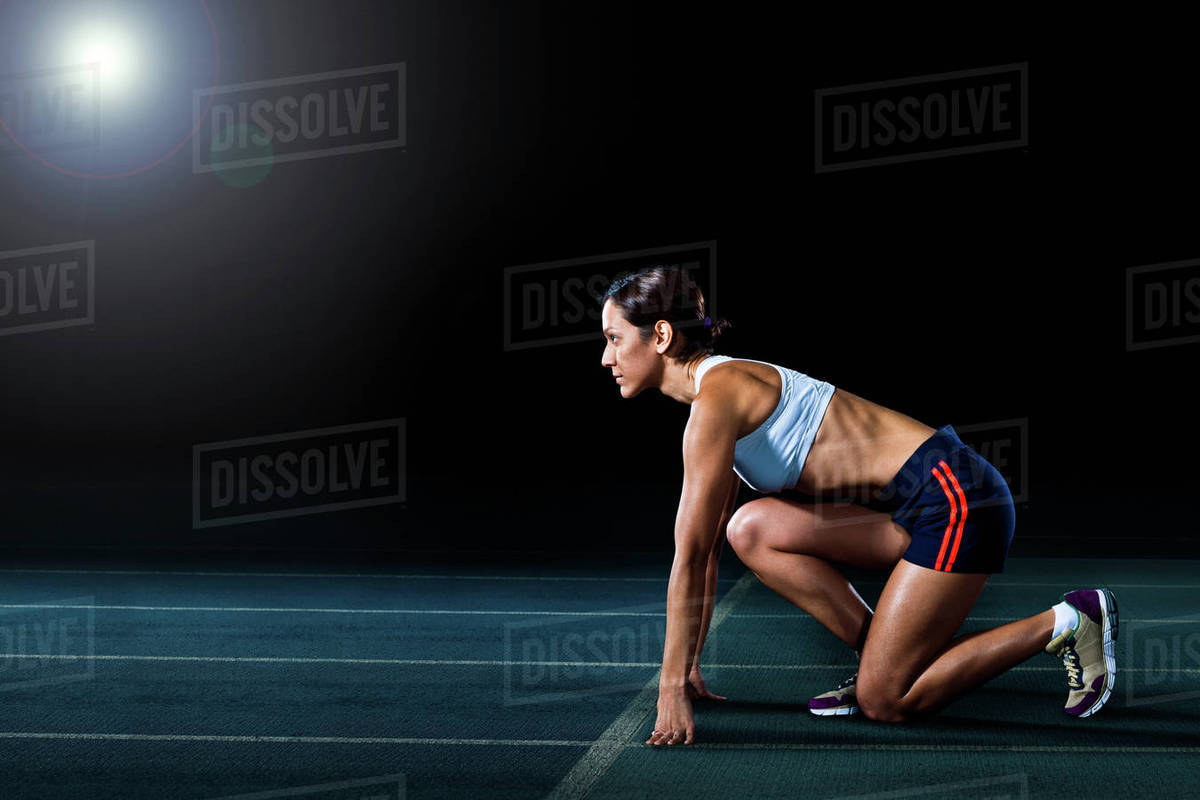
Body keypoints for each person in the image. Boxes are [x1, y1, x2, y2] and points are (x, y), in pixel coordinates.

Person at [598, 265, 1118, 747]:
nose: (607, 358)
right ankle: (881, 658)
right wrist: (686, 665)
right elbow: (705, 551)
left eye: (615, 339)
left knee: (885, 701)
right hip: (909, 509)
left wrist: (667, 688)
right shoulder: (716, 398)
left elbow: (686, 559)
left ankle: (1070, 620)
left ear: (661, 336)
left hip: (957, 499)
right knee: (749, 528)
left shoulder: (719, 397)